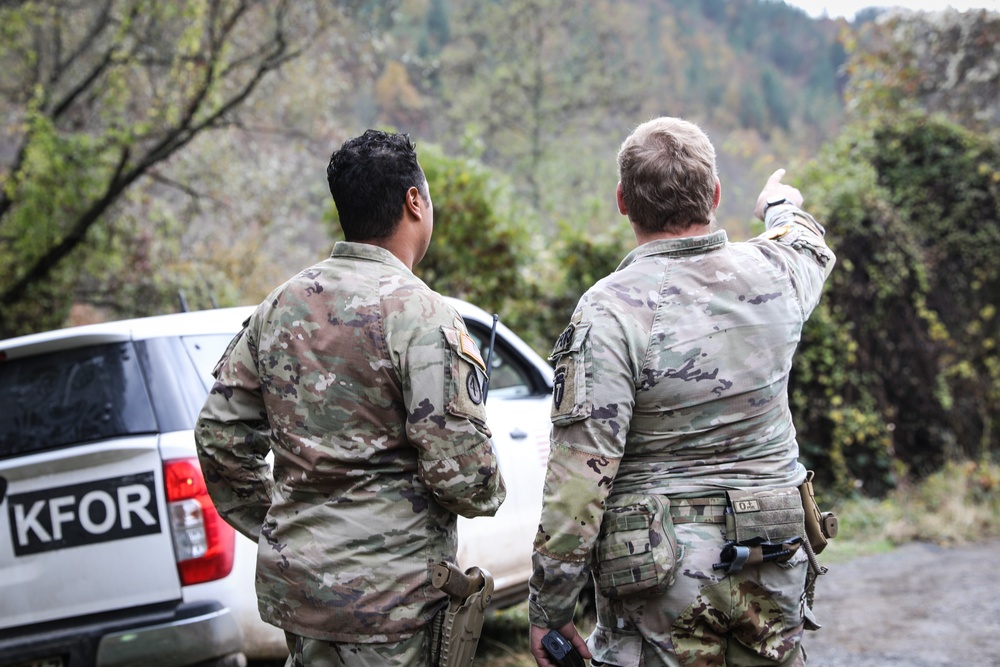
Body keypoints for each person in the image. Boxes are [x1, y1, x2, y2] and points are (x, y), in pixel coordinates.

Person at [527, 117, 836, 667]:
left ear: (623, 201)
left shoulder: (609, 309)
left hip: (657, 581)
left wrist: (550, 609)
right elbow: (808, 243)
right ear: (715, 194)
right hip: (771, 557)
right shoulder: (775, 275)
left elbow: (579, 480)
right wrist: (780, 204)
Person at [195, 129, 506, 666]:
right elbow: (464, 480)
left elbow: (219, 437)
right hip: (392, 606)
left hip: (303, 597)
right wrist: (489, 487)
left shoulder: (279, 306)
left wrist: (285, 526)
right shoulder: (422, 313)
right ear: (415, 201)